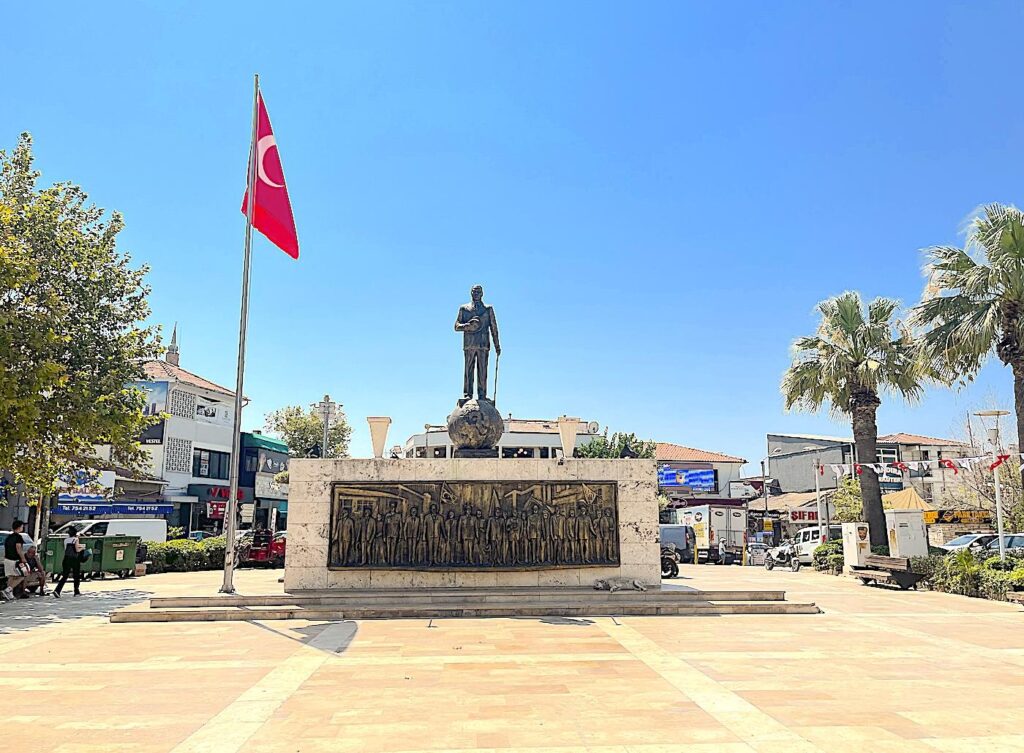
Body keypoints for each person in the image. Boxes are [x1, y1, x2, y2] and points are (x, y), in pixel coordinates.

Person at [53, 525, 84, 598]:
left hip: (66, 558)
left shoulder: (66, 540)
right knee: (76, 575)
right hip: (74, 559)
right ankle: (76, 591)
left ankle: (57, 590)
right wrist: (82, 549)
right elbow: (76, 550)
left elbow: (66, 549)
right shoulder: (76, 539)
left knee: (65, 575)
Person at [2, 519, 30, 600]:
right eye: (22, 526)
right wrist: (23, 559)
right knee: (23, 575)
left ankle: (9, 594)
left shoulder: (8, 537)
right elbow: (19, 549)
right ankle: (8, 589)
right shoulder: (18, 537)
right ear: (19, 527)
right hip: (14, 560)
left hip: (7, 559)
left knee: (10, 577)